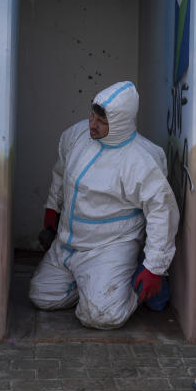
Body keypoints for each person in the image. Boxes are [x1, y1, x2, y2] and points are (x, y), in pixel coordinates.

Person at [29, 80, 179, 329]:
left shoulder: (141, 159)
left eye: (102, 121)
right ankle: (94, 285)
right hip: (68, 243)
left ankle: (124, 283)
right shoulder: (77, 136)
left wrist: (155, 267)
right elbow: (60, 172)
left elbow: (161, 212)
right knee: (42, 296)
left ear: (120, 123)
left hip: (109, 247)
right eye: (92, 116)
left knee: (101, 316)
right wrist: (52, 208)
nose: (92, 124)